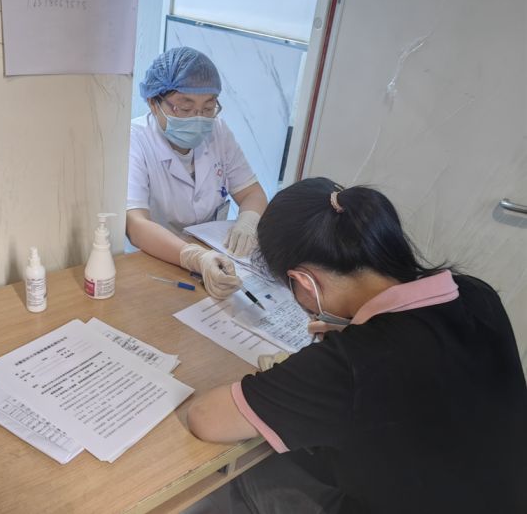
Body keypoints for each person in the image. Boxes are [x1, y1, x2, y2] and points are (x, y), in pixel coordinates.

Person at [186, 177, 527, 513]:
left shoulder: (350, 364)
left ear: (304, 281)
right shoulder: (475, 294)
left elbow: (206, 418)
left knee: (254, 471)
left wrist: (322, 361)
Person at [126, 47, 268, 299]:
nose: (199, 118)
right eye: (184, 108)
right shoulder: (134, 140)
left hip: (211, 257)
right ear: (153, 103)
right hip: (155, 260)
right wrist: (195, 257)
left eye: (208, 107)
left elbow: (252, 193)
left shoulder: (218, 131)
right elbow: (136, 224)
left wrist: (248, 221)